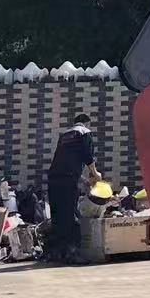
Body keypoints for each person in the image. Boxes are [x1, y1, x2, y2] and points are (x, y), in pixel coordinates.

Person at [45, 112, 99, 263]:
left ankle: (56, 253)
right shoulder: (84, 132)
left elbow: (62, 162)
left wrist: (82, 180)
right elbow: (88, 156)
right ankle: (73, 253)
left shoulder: (64, 136)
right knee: (71, 215)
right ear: (87, 123)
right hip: (68, 180)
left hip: (54, 179)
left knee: (58, 216)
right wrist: (95, 173)